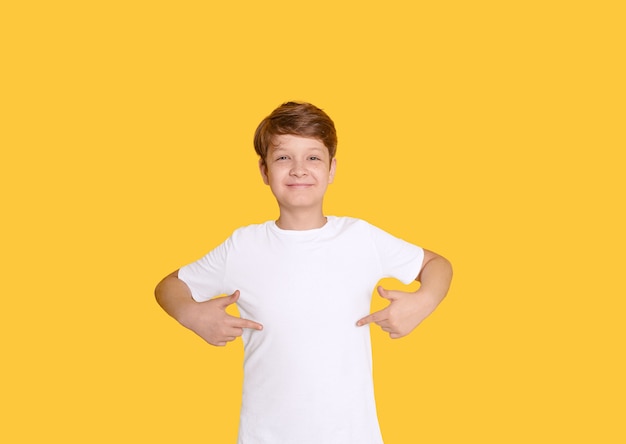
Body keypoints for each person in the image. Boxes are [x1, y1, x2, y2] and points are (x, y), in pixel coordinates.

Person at [155, 101, 453, 444]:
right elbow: (169, 286)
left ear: (332, 169)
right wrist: (191, 313)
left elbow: (437, 265)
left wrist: (424, 301)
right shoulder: (243, 246)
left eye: (313, 157)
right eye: (283, 157)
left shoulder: (361, 238)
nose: (298, 169)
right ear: (264, 171)